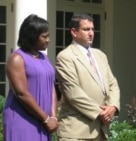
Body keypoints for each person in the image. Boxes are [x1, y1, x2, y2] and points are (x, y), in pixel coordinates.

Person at [55, 13, 120, 141]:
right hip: (76, 132)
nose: (91, 33)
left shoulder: (100, 55)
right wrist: (100, 112)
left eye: (92, 29)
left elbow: (113, 84)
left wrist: (113, 106)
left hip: (100, 131)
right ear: (74, 32)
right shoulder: (65, 57)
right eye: (86, 29)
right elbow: (73, 93)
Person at [3, 14, 58, 141]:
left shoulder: (45, 58)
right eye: (44, 36)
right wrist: (45, 118)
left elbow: (51, 87)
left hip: (44, 120)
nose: (48, 40)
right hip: (22, 119)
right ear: (31, 37)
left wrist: (53, 117)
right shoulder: (17, 58)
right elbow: (21, 94)